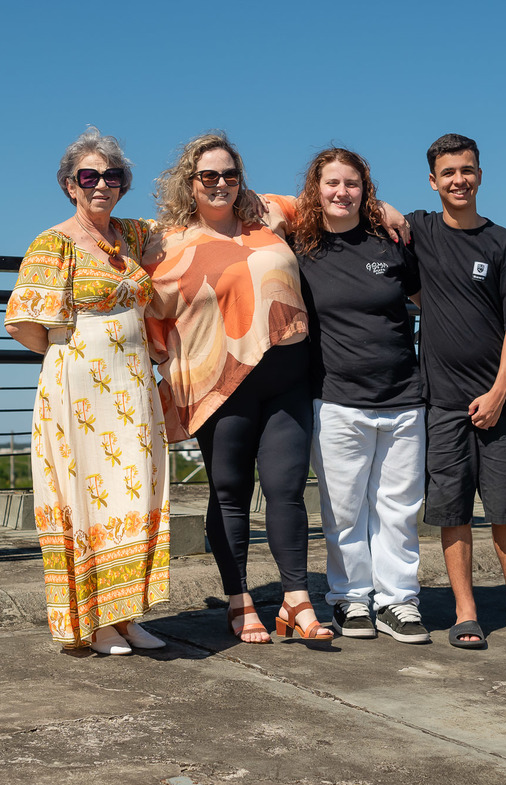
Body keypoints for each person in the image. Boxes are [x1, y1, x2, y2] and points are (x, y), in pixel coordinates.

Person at [144, 132, 332, 643]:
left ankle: (296, 599)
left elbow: (329, 195)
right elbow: (147, 313)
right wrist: (168, 360)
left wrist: (390, 212)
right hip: (221, 384)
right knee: (230, 493)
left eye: (230, 174)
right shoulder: (166, 243)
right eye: (209, 176)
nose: (221, 183)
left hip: (288, 377)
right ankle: (239, 598)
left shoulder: (267, 217)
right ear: (191, 182)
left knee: (286, 489)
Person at [5, 127, 170, 656]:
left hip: (134, 382)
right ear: (70, 185)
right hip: (80, 387)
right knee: (89, 499)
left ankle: (127, 615)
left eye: (113, 176)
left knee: (136, 491)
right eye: (89, 176)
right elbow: (25, 326)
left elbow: (195, 226)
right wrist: (72, 355)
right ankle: (94, 621)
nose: (102, 184)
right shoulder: (53, 242)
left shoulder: (135, 235)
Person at [410, 133, 506, 648]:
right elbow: (371, 212)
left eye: (467, 170)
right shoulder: (419, 230)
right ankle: (465, 612)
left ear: (480, 174)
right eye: (449, 172)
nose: (459, 180)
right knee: (451, 511)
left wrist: (501, 389)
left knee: (505, 508)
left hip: (497, 401)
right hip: (441, 402)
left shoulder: (505, 244)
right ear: (433, 181)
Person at [288, 148, 429, 644]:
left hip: (404, 396)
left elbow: (427, 300)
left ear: (365, 189)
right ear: (316, 189)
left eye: (352, 183)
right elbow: (257, 206)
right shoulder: (299, 246)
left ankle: (399, 602)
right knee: (344, 510)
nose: (341, 192)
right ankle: (350, 598)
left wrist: (391, 213)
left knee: (399, 509)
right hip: (336, 398)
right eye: (332, 183)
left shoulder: (390, 243)